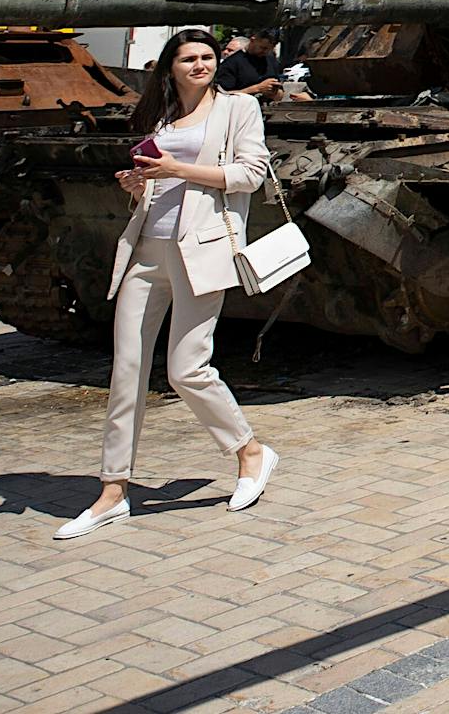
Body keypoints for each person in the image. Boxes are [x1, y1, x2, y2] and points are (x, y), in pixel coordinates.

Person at [53, 28, 280, 540]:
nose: (201, 66)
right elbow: (159, 184)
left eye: (206, 58)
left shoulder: (238, 110)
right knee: (126, 371)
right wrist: (140, 185)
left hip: (201, 252)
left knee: (186, 369)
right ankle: (113, 491)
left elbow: (251, 174)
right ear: (170, 68)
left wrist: (179, 167)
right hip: (147, 249)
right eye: (189, 59)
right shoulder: (159, 116)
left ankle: (250, 452)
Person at [216, 29, 285, 102]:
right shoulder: (231, 63)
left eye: (270, 49)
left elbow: (280, 95)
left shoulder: (270, 60)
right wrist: (257, 88)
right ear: (252, 40)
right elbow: (223, 96)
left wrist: (274, 92)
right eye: (263, 48)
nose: (266, 52)